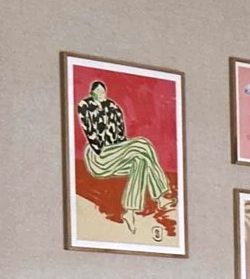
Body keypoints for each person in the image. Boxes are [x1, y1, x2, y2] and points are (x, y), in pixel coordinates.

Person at [75, 81, 175, 239]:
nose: (101, 95)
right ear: (92, 93)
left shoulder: (113, 107)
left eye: (103, 92)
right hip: (98, 156)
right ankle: (160, 195)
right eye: (97, 92)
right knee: (142, 143)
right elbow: (94, 139)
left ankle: (130, 211)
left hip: (116, 154)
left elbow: (120, 137)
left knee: (140, 161)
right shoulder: (85, 107)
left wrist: (122, 149)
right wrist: (118, 146)